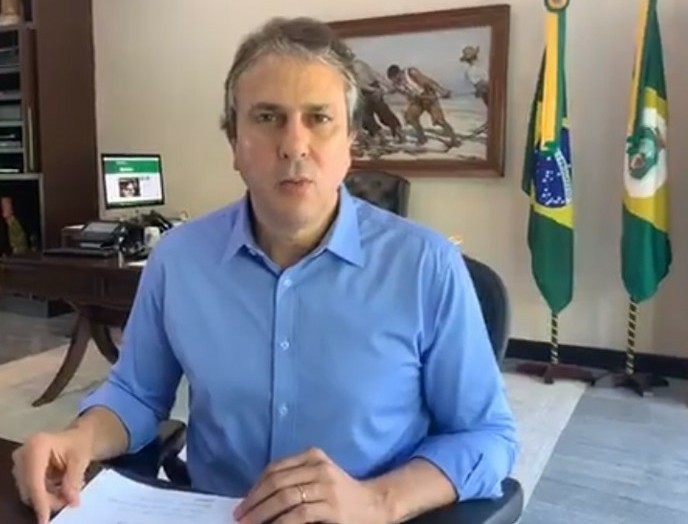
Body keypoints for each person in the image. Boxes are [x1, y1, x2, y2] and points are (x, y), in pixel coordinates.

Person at [11, 16, 518, 524]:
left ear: (351, 144)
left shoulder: (428, 266)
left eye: (319, 118)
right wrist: (77, 439)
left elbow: (487, 437)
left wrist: (378, 500)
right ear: (234, 143)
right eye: (268, 117)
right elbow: (135, 394)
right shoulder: (178, 259)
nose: (294, 145)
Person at [386, 64, 459, 148]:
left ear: (398, 73)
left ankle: (454, 139)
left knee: (439, 121)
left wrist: (441, 91)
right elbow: (396, 91)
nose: (394, 81)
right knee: (410, 117)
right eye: (393, 80)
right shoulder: (396, 84)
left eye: (394, 79)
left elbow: (429, 82)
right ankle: (422, 138)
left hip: (429, 97)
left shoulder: (411, 72)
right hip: (417, 101)